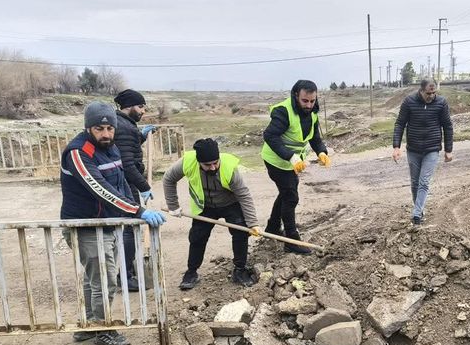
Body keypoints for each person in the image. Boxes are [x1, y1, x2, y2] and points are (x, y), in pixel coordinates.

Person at [60, 101, 166, 345]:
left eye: (110, 128)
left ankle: (90, 325)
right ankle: (103, 329)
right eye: (99, 129)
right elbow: (100, 189)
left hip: (108, 223)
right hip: (85, 226)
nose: (106, 134)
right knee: (104, 280)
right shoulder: (78, 153)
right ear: (88, 128)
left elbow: (119, 183)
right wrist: (137, 211)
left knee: (95, 278)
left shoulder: (111, 147)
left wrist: (132, 206)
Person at [164, 138, 262, 290]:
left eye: (215, 163)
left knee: (241, 233)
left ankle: (240, 270)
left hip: (230, 203)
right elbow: (168, 179)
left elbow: (244, 195)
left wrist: (253, 223)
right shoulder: (188, 162)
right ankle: (191, 272)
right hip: (205, 205)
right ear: (199, 162)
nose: (213, 167)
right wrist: (173, 206)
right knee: (197, 237)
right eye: (207, 165)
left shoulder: (229, 167)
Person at [260, 79, 331, 254]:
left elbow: (314, 137)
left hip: (291, 163)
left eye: (312, 101)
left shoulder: (312, 113)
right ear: (296, 96)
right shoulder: (284, 112)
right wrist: (291, 157)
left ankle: (272, 228)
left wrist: (321, 152)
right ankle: (291, 240)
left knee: (286, 193)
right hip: (276, 160)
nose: (309, 105)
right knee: (291, 196)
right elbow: (270, 136)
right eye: (305, 101)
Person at [392, 78, 454, 225]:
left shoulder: (441, 103)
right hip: (413, 149)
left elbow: (447, 126)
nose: (431, 96)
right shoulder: (409, 102)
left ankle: (416, 214)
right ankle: (419, 209)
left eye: (434, 93)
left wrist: (448, 150)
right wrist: (396, 147)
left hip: (432, 149)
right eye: (428, 93)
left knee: (424, 182)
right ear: (421, 90)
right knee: (415, 183)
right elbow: (400, 123)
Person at [113, 88, 157, 291]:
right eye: (140, 106)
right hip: (125, 184)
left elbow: (126, 148)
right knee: (130, 228)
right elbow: (128, 164)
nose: (143, 111)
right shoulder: (125, 127)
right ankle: (125, 276)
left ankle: (125, 272)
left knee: (126, 228)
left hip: (121, 181)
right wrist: (144, 187)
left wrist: (140, 136)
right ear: (129, 106)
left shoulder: (122, 123)